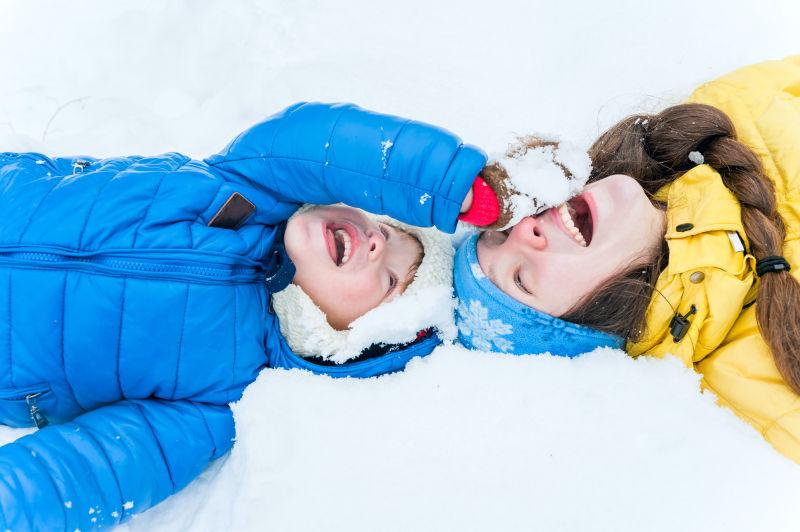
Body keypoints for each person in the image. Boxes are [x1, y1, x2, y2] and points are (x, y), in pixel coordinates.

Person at [0, 101, 504, 530]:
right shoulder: (252, 188)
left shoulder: (220, 394)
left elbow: (90, 468)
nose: (377, 243)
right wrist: (440, 181)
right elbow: (321, 144)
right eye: (392, 232)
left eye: (393, 281)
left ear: (348, 340)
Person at [453, 55, 800, 463]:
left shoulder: (716, 115)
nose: (525, 231)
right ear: (590, 324)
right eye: (521, 280)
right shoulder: (760, 398)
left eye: (503, 233)